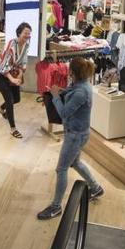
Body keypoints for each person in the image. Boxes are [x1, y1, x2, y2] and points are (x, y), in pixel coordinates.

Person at [38, 57, 104, 220]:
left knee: (61, 169)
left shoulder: (81, 91)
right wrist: (62, 91)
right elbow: (73, 93)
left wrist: (54, 96)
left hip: (75, 135)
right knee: (75, 163)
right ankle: (95, 188)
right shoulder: (81, 85)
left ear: (72, 72)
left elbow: (64, 113)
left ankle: (56, 207)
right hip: (77, 133)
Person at [0, 22, 31, 139]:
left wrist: (19, 75)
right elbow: (3, 67)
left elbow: (24, 61)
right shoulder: (11, 45)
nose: (27, 36)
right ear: (19, 33)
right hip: (0, 72)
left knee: (17, 99)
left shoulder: (26, 44)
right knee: (9, 99)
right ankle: (13, 128)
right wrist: (12, 79)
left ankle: (1, 108)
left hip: (14, 72)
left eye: (29, 34)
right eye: (25, 33)